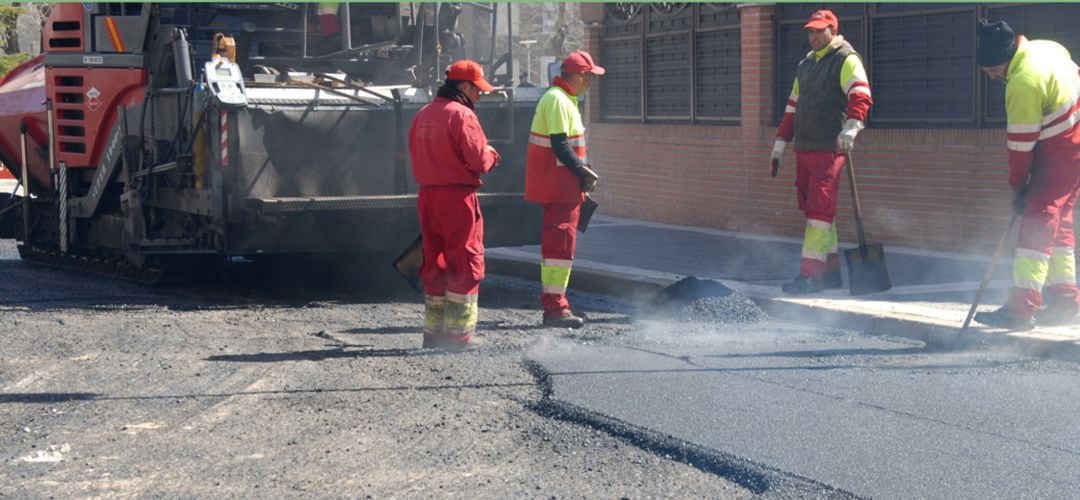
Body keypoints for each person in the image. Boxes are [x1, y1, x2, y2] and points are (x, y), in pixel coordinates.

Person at [973, 20, 1080, 330]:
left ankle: (1021, 309)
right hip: (1071, 137)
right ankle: (1065, 301)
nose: (992, 76)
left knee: (1037, 220)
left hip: (1064, 145)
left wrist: (1019, 188)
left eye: (993, 69)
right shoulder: (1045, 46)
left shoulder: (1022, 83)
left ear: (1007, 58)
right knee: (1058, 224)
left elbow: (1020, 148)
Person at [771, 9, 873, 295]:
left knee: (819, 208)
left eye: (819, 31)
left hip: (829, 147)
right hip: (804, 146)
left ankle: (810, 276)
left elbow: (860, 94)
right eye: (811, 31)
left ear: (832, 30)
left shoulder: (846, 59)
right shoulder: (805, 65)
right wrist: (780, 144)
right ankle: (830, 272)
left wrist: (852, 127)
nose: (814, 36)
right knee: (816, 212)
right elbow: (793, 107)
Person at [408, 60, 501, 350]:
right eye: (477, 90)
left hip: (428, 197)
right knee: (466, 263)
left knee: (435, 263)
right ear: (464, 87)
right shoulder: (462, 116)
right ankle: (459, 337)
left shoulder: (423, 114)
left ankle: (433, 335)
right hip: (457, 198)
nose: (479, 96)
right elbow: (478, 160)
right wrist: (492, 155)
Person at [524, 50, 602, 328]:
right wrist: (581, 171)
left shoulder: (565, 99)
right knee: (559, 248)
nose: (591, 83)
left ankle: (555, 304)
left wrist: (582, 172)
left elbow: (567, 146)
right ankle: (555, 309)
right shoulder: (558, 99)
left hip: (564, 187)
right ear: (578, 75)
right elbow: (560, 145)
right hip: (559, 188)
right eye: (589, 77)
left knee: (558, 248)